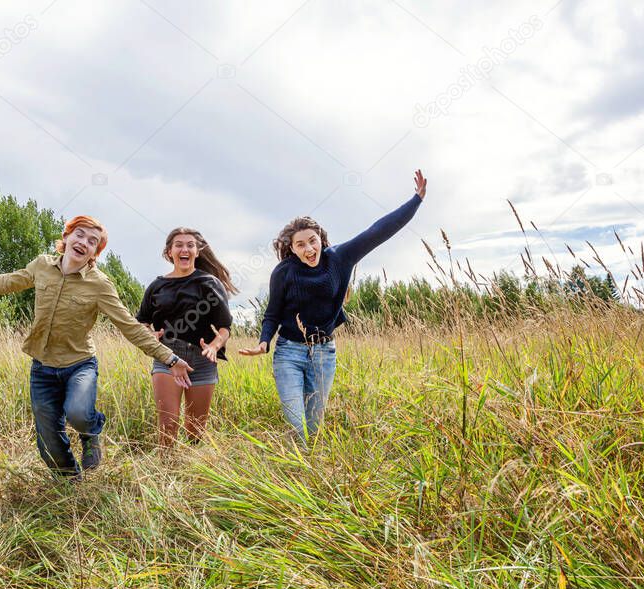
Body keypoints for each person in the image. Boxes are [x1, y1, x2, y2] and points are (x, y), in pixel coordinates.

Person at [0, 215, 193, 479]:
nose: (84, 242)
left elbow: (129, 325)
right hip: (43, 368)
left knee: (78, 413)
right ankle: (71, 479)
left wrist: (169, 359)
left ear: (95, 252)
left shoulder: (99, 284)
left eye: (92, 241)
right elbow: (5, 282)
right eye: (79, 235)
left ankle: (91, 432)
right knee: (48, 442)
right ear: (67, 237)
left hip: (79, 365)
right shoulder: (42, 266)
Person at [240, 170, 428, 446]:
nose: (308, 249)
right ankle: (296, 475)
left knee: (314, 430)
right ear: (292, 249)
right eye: (300, 245)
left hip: (324, 353)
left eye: (312, 241)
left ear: (321, 239)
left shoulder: (340, 258)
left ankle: (310, 473)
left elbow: (377, 232)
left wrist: (416, 200)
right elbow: (272, 313)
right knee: (297, 425)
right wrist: (264, 342)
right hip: (289, 353)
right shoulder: (283, 272)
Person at [136, 228, 238, 450]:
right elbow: (142, 322)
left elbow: (224, 327)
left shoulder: (209, 283)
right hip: (167, 357)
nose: (185, 249)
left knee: (195, 431)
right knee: (168, 426)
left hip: (201, 360)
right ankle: (167, 473)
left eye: (190, 245)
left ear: (198, 251)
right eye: (179, 245)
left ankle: (190, 473)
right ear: (169, 252)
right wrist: (149, 335)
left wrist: (214, 346)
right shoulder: (156, 286)